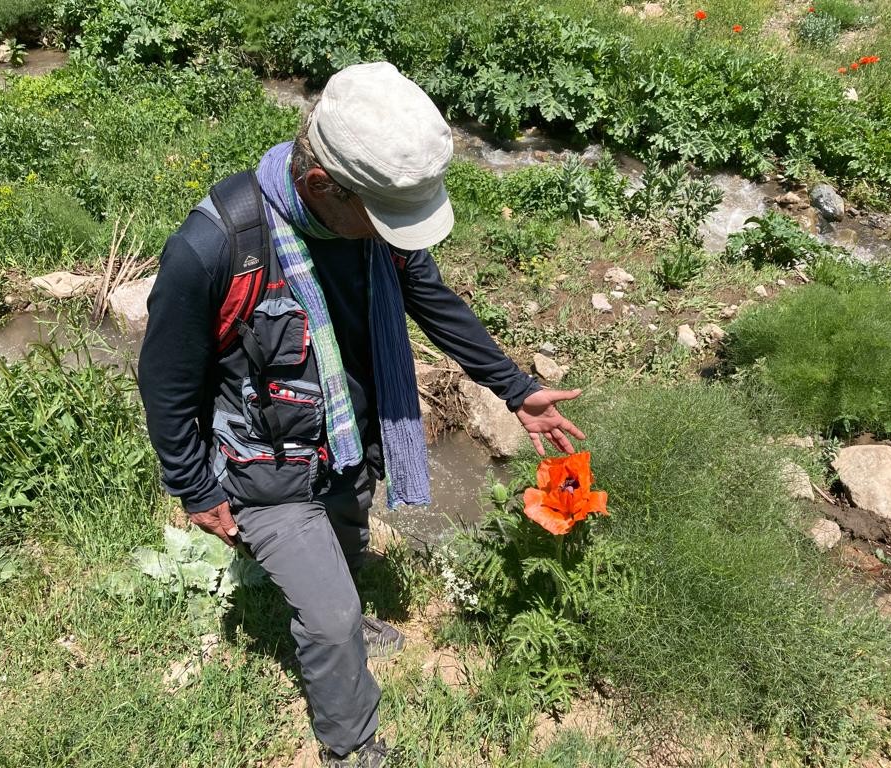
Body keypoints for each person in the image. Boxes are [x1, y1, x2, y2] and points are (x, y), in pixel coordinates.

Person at [137, 61, 584, 767]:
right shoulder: (216, 248)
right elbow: (163, 380)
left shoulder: (370, 231)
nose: (400, 238)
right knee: (332, 615)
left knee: (348, 531)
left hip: (346, 437)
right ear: (322, 186)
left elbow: (431, 299)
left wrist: (514, 387)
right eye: (388, 220)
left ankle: (343, 616)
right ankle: (351, 747)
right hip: (266, 460)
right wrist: (196, 488)